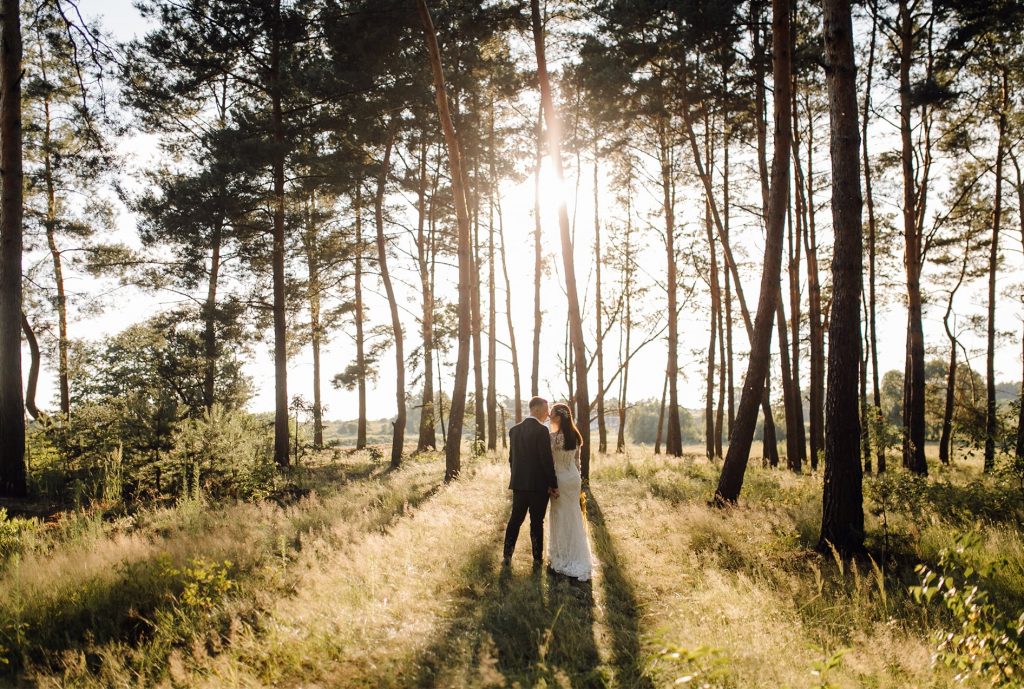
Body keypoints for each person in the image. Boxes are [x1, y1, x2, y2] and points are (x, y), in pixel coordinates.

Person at [503, 396, 558, 568]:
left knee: (515, 520)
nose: (548, 413)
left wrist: (518, 477)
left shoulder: (514, 430)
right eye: (546, 409)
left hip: (519, 485)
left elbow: (512, 459)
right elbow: (546, 461)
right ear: (536, 408)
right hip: (538, 487)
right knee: (537, 522)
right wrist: (553, 484)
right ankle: (536, 559)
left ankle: (507, 555)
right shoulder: (541, 431)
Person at [546, 402, 594, 581]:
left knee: (559, 514)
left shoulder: (553, 437)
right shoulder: (575, 435)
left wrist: (550, 483)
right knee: (573, 514)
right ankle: (577, 554)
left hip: (559, 479)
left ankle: (563, 555)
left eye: (552, 414)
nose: (550, 416)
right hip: (573, 478)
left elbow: (550, 463)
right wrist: (579, 482)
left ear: (558, 417)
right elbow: (577, 463)